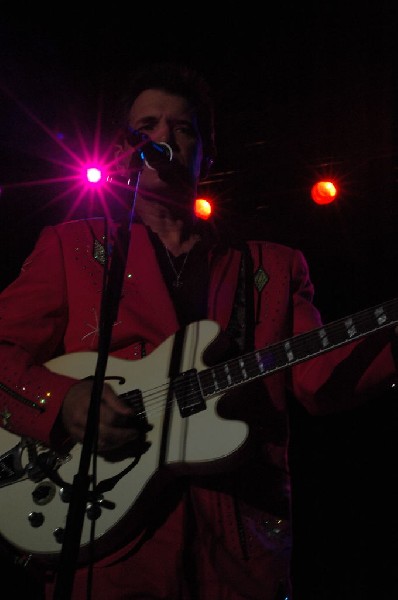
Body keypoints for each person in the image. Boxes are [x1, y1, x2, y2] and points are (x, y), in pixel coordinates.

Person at [0, 61, 397, 600]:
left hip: (235, 550)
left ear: (208, 152)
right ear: (125, 150)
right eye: (146, 128)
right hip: (109, 553)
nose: (163, 137)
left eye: (182, 128)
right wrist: (64, 400)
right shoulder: (74, 247)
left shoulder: (271, 269)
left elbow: (319, 382)